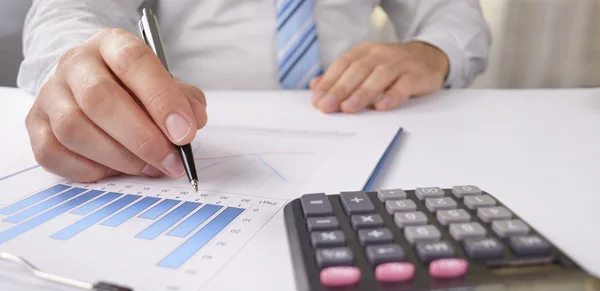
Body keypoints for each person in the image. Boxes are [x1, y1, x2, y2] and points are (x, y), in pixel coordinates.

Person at [17, 0, 491, 183]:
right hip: (192, 125)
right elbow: (67, 11)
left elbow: (453, 13)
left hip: (363, 117)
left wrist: (431, 50)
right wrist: (84, 74)